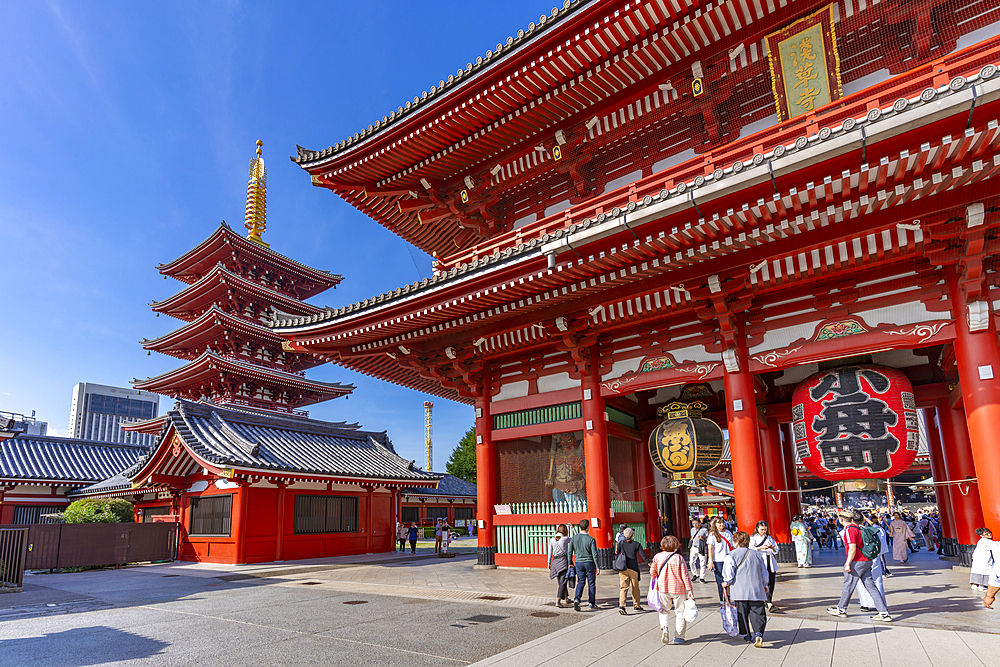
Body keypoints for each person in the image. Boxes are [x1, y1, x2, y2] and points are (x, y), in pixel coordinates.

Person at [826, 509, 891, 622]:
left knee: (848, 585)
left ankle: (841, 609)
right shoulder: (859, 528)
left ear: (841, 520)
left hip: (857, 561)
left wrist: (848, 563)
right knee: (871, 586)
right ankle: (883, 612)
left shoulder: (850, 530)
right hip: (867, 560)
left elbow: (852, 548)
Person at [722, 531, 769, 648]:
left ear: (736, 542)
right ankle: (758, 633)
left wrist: (726, 582)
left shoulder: (731, 555)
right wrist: (765, 584)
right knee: (758, 612)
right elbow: (764, 572)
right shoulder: (757, 555)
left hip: (739, 589)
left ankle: (747, 635)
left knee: (742, 613)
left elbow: (729, 573)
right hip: (756, 588)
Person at [649, 535, 694, 644]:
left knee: (664, 611)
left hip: (663, 588)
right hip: (678, 589)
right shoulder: (679, 558)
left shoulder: (657, 557)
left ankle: (664, 628)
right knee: (680, 613)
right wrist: (690, 590)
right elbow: (685, 575)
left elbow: (652, 572)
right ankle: (678, 637)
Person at [857, 513, 889, 612]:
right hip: (875, 557)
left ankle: (865, 603)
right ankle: (879, 603)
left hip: (862, 558)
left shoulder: (857, 530)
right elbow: (883, 546)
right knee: (877, 580)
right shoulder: (879, 530)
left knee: (862, 582)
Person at [567, 518, 600, 611]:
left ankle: (577, 599)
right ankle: (591, 603)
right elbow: (595, 554)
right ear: (588, 527)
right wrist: (597, 566)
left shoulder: (574, 538)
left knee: (581, 581)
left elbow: (569, 552)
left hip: (579, 563)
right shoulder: (591, 539)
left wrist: (570, 562)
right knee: (591, 583)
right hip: (589, 563)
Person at [615, 527, 648, 614]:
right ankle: (636, 605)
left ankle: (622, 606)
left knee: (623, 588)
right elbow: (643, 555)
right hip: (633, 568)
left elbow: (617, 554)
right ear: (633, 535)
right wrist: (649, 563)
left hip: (623, 568)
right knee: (635, 588)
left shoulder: (621, 543)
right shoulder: (636, 544)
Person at [749, 520, 779, 612]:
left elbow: (776, 550)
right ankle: (767, 601)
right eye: (761, 529)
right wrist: (761, 548)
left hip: (770, 560)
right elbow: (750, 548)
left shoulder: (769, 537)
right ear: (757, 528)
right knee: (762, 581)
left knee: (771, 582)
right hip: (760, 561)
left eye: (765, 529)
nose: (763, 531)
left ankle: (769, 601)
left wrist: (772, 548)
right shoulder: (753, 538)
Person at [706, 516, 734, 603]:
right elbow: (710, 548)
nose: (721, 525)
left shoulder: (728, 533)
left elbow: (732, 546)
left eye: (722, 522)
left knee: (729, 579)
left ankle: (729, 597)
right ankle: (723, 600)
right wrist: (710, 562)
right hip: (718, 561)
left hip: (728, 559)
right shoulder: (712, 534)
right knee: (720, 581)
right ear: (715, 524)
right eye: (719, 523)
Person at [547, 524, 572, 607]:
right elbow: (575, 538)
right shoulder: (565, 539)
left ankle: (566, 597)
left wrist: (548, 562)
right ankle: (558, 600)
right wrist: (573, 528)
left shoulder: (552, 540)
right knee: (563, 581)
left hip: (555, 562)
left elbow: (550, 552)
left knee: (561, 581)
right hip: (563, 561)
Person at [970, 527, 998, 591]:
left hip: (978, 559)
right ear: (982, 535)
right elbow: (995, 545)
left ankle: (975, 585)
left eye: (989, 533)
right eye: (986, 534)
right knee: (984, 572)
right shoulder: (986, 541)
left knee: (977, 571)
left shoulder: (981, 541)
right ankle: (981, 586)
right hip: (984, 559)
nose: (989, 535)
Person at [689, 518, 709, 583]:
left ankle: (702, 577)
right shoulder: (692, 530)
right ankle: (695, 574)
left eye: (696, 523)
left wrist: (703, 538)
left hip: (701, 547)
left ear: (699, 523)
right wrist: (690, 546)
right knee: (691, 562)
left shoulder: (704, 530)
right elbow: (692, 537)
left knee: (702, 563)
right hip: (694, 547)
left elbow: (708, 538)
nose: (694, 525)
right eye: (693, 523)